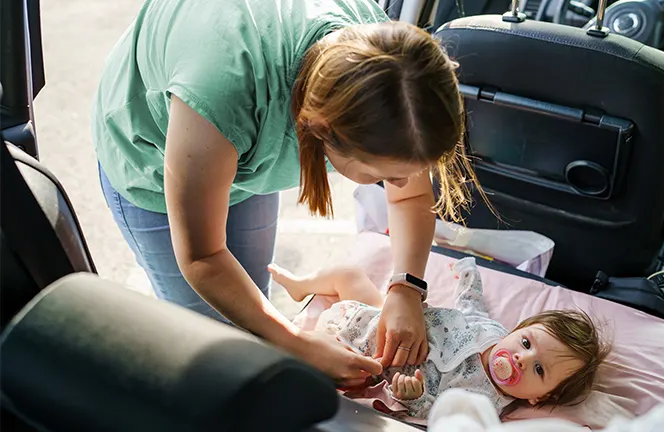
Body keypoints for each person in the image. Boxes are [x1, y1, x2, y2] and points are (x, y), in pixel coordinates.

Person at [91, 0, 485, 386]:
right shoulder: (223, 93)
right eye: (384, 176)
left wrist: (407, 287)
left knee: (250, 313)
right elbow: (202, 256)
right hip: (152, 159)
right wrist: (297, 343)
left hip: (232, 138)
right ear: (321, 129)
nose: (400, 185)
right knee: (212, 341)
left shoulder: (396, 81)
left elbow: (411, 199)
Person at [268, 257, 611, 419]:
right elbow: (470, 304)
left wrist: (413, 397)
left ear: (540, 398)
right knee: (350, 273)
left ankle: (285, 335)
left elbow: (438, 413)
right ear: (519, 330)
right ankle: (304, 285)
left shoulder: (485, 401)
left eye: (539, 370)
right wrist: (468, 274)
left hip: (369, 355)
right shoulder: (491, 331)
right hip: (384, 317)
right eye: (526, 343)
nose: (522, 357)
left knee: (341, 372)